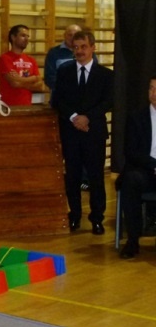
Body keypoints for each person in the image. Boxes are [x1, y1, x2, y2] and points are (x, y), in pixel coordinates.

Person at [51, 31, 113, 234]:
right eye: (76, 47)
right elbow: (58, 100)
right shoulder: (65, 71)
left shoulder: (105, 74)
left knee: (96, 177)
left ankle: (97, 218)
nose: (79, 51)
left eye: (83, 47)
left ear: (93, 47)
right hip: (71, 132)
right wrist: (74, 117)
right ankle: (75, 215)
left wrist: (87, 117)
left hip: (94, 132)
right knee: (72, 176)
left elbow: (108, 101)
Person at [117, 75, 156, 258]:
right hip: (145, 170)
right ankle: (132, 240)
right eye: (151, 88)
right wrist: (153, 165)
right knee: (130, 180)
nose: (154, 93)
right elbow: (131, 151)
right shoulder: (136, 117)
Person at [0, 24, 46, 106]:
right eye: (23, 36)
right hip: (8, 106)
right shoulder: (5, 58)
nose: (26, 39)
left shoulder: (31, 60)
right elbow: (14, 83)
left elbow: (40, 86)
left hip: (27, 106)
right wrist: (33, 78)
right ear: (13, 37)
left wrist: (20, 79)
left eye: (28, 36)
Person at [44, 24, 82, 91]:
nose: (72, 38)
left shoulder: (88, 53)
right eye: (70, 35)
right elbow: (49, 78)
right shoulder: (54, 53)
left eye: (76, 35)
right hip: (61, 95)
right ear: (64, 35)